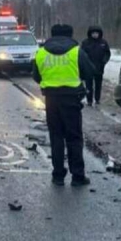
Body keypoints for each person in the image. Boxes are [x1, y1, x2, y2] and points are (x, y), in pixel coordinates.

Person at [32, 24, 96, 187]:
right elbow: (90, 72)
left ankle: (58, 175)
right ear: (70, 35)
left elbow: (36, 75)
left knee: (56, 137)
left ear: (52, 35)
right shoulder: (77, 52)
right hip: (72, 99)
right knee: (74, 138)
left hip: (51, 100)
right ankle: (77, 176)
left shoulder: (41, 52)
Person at [80, 25, 110, 106]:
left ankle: (97, 99)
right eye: (93, 33)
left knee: (98, 84)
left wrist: (104, 61)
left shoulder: (103, 42)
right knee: (89, 84)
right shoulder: (86, 42)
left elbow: (107, 53)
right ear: (90, 33)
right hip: (88, 67)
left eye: (97, 33)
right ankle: (89, 100)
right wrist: (85, 63)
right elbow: (82, 54)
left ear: (100, 34)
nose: (95, 35)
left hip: (99, 66)